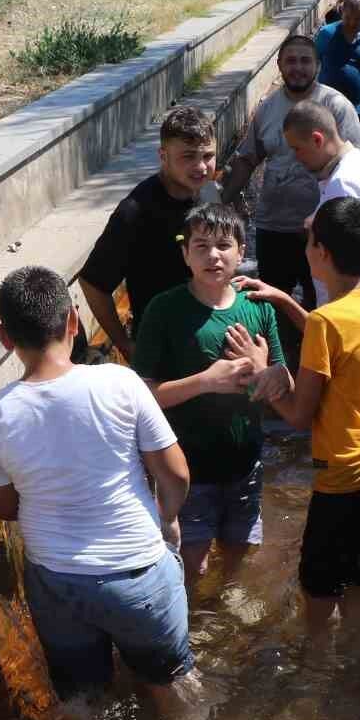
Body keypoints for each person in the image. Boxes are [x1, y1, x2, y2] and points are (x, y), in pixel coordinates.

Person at [0, 266, 199, 713]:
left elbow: (5, 508)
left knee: (84, 707)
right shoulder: (120, 382)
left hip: (58, 585)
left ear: (5, 337)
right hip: (140, 573)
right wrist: (167, 519)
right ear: (74, 322)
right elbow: (176, 475)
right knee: (176, 691)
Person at [236, 198, 360, 637]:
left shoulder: (327, 324)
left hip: (343, 477)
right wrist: (284, 301)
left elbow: (297, 415)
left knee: (319, 584)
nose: (306, 245)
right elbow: (330, 331)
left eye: (310, 239)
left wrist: (263, 373)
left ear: (321, 253)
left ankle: (316, 662)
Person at [133, 204, 285, 587]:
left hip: (246, 464)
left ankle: (227, 616)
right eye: (200, 246)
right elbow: (140, 398)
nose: (213, 255)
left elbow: (286, 388)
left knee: (240, 554)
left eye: (223, 245)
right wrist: (205, 381)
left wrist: (265, 370)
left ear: (242, 252)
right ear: (185, 254)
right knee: (193, 565)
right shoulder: (164, 310)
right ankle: (196, 624)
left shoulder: (257, 306)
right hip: (188, 470)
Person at [222, 35, 360, 319]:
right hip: (273, 225)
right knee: (271, 306)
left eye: (305, 61)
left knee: (321, 305)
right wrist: (222, 201)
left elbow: (353, 162)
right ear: (279, 66)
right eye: (291, 61)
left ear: (318, 66)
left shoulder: (336, 106)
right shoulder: (268, 109)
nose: (298, 67)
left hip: (321, 230)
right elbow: (249, 158)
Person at [81, 105, 216, 362]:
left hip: (207, 337)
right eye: (188, 157)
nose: (201, 167)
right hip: (161, 349)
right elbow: (92, 284)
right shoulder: (134, 213)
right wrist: (126, 345)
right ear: (163, 156)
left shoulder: (207, 193)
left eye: (208, 156)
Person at [281, 100, 360, 319]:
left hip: (350, 315)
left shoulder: (343, 183)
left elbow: (340, 259)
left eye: (297, 149)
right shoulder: (359, 164)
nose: (296, 157)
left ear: (317, 139)